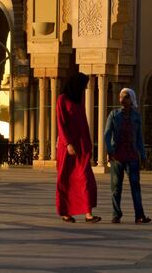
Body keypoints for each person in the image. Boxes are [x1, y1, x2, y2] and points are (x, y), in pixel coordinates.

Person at [56, 72, 101, 223]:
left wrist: (87, 144)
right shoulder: (62, 99)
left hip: (81, 147)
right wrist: (68, 143)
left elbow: (83, 124)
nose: (86, 87)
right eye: (84, 85)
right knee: (66, 179)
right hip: (67, 148)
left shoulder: (79, 99)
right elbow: (61, 124)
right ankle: (65, 212)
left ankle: (88, 213)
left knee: (86, 179)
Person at [104, 88, 151, 224]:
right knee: (116, 187)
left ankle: (139, 215)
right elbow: (107, 134)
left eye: (125, 97)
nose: (122, 99)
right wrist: (110, 150)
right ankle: (116, 214)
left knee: (135, 186)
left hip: (132, 156)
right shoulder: (114, 115)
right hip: (117, 156)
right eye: (120, 97)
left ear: (131, 100)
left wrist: (143, 155)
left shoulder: (136, 116)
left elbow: (139, 138)